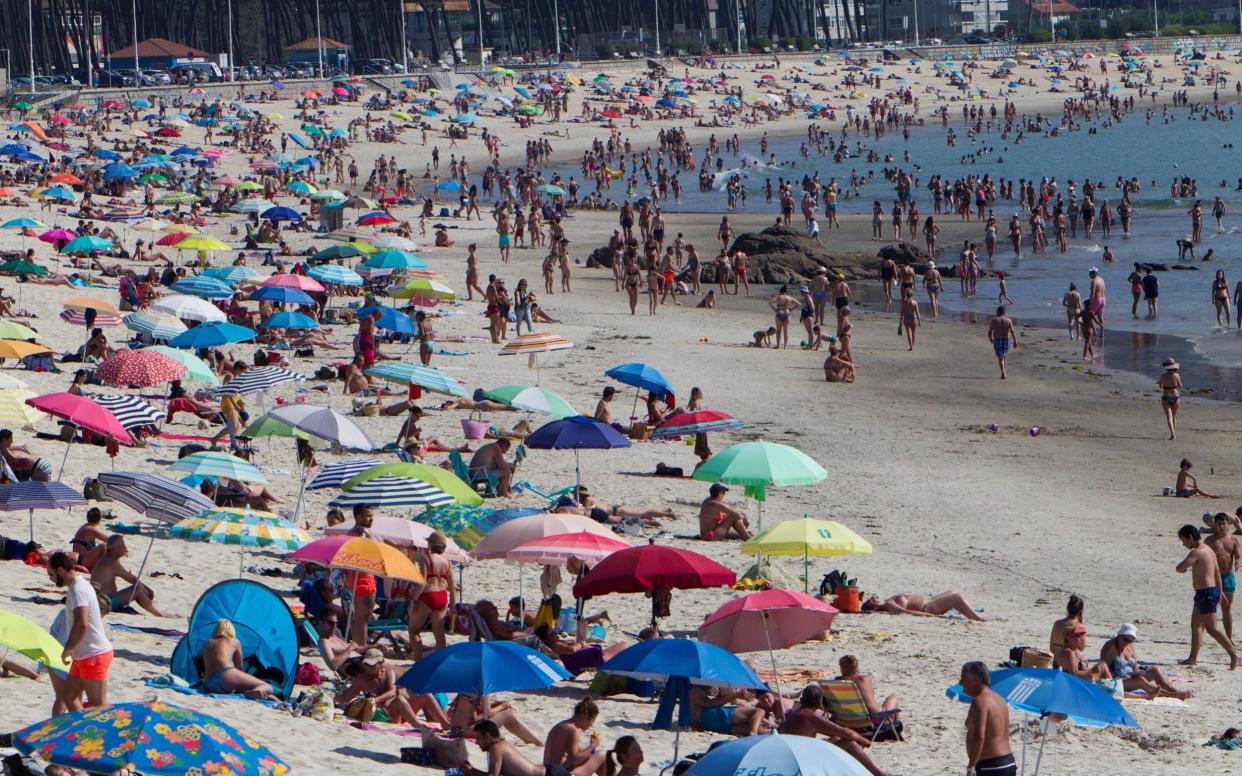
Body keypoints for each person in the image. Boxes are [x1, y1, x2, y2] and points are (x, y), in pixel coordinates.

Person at [47, 550, 112, 711]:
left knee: (98, 705)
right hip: (82, 656)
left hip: (94, 655)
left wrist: (67, 648)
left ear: (60, 571)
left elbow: (81, 624)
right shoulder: (76, 586)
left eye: (51, 574)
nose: (51, 578)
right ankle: (81, 734)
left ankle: (103, 735)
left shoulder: (78, 589)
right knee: (69, 697)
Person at [781, 684, 889, 776]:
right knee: (851, 744)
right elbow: (847, 733)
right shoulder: (810, 717)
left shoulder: (795, 714)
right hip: (804, 760)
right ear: (819, 704)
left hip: (793, 758)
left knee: (837, 737)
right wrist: (864, 741)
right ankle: (880, 774)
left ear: (801, 700)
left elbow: (836, 733)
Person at [1176, 524, 1239, 669]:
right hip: (1206, 592)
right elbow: (1217, 573)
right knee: (1196, 625)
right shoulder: (1209, 549)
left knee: (1212, 628)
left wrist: (1183, 570)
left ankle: (1233, 654)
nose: (1184, 544)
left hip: (1206, 593)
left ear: (1190, 537)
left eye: (1184, 541)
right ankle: (1192, 658)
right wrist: (1221, 591)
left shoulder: (1196, 552)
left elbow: (1180, 567)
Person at [337, 648, 451, 727]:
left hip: (398, 710)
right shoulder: (362, 679)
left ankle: (446, 724)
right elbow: (345, 697)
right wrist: (331, 697)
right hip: (383, 714)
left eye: (372, 665)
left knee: (425, 694)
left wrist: (375, 700)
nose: (369, 668)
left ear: (381, 663)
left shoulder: (388, 673)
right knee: (401, 699)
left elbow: (392, 692)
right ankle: (418, 725)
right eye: (366, 664)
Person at [463, 719, 605, 776]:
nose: (476, 742)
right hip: (550, 771)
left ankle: (597, 753)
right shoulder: (502, 744)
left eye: (478, 738)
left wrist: (471, 771)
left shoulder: (496, 748)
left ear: (488, 736)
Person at [1099, 623, 1192, 700]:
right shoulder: (1111, 648)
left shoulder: (1130, 646)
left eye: (1130, 640)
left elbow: (1135, 665)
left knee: (1155, 670)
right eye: (1125, 639)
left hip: (1130, 677)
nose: (1127, 642)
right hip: (1118, 681)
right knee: (1140, 680)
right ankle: (1171, 695)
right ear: (1119, 636)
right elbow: (1103, 668)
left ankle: (1173, 690)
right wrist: (1114, 685)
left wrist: (1137, 673)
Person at [91, 535, 175, 617]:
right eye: (122, 546)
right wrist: (148, 590)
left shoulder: (107, 558)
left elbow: (130, 578)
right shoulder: (111, 562)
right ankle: (158, 613)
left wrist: (146, 590)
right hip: (105, 602)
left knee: (137, 588)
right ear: (114, 549)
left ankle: (159, 612)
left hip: (100, 600)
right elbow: (132, 579)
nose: (125, 548)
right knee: (137, 590)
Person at [960, 661, 1015, 776]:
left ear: (975, 680)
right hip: (1008, 762)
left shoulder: (979, 701)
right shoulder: (999, 699)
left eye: (964, 678)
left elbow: (979, 737)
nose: (960, 683)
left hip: (991, 766)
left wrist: (971, 766)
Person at [407, 531, 455, 660]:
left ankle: (418, 663)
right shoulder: (448, 562)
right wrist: (453, 605)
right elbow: (452, 586)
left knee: (413, 630)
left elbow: (422, 582)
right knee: (439, 634)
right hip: (443, 597)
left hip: (429, 595)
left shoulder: (426, 558)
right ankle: (440, 663)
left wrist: (412, 599)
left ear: (431, 544)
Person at [200, 619, 276, 699]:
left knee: (234, 686)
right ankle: (254, 691)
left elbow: (202, 664)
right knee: (267, 687)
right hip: (226, 675)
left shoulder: (208, 643)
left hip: (209, 684)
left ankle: (256, 692)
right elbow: (239, 668)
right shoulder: (235, 642)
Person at [1206, 512, 1241, 640]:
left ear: (1228, 524)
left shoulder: (1234, 539)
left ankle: (1229, 637)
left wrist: (1238, 562)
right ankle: (1204, 635)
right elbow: (1203, 555)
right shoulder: (1210, 540)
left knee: (1226, 608)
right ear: (1215, 525)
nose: (1221, 526)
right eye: (1219, 524)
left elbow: (1238, 555)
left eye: (1223, 524)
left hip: (1227, 577)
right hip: (1213, 577)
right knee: (1209, 608)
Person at [544, 697, 603, 773]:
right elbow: (574, 760)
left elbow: (573, 751)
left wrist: (591, 749)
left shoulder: (563, 725)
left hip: (547, 769)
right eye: (592, 721)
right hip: (558, 772)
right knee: (602, 756)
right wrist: (592, 746)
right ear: (585, 717)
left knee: (596, 753)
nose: (591, 725)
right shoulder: (573, 730)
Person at [689, 685, 769, 737]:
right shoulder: (693, 689)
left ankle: (764, 728)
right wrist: (736, 695)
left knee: (761, 729)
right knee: (759, 711)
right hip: (708, 717)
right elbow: (709, 704)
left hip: (710, 724)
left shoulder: (695, 687)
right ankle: (753, 733)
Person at [837, 655, 899, 719]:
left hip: (846, 720)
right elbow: (871, 697)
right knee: (893, 697)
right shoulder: (865, 680)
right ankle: (896, 726)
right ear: (856, 666)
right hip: (875, 719)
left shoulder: (836, 683)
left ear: (842, 669)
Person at [861, 591, 986, 621]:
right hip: (928, 607)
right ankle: (977, 618)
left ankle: (973, 614)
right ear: (876, 608)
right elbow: (907, 612)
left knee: (953, 592)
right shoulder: (889, 605)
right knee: (956, 597)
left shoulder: (888, 601)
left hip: (930, 600)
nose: (872, 597)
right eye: (871, 601)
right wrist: (928, 615)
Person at [987, 306, 1017, 380]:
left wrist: (991, 338)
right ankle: (1003, 371)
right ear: (1004, 312)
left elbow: (990, 331)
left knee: (1000, 358)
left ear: (998, 312)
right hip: (1007, 340)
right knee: (1003, 356)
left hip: (998, 340)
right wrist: (1015, 341)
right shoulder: (1008, 320)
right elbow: (1012, 331)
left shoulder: (994, 320)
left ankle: (1003, 373)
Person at [1157, 359, 1182, 440]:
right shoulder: (1177, 375)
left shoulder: (1162, 376)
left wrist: (1161, 382)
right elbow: (1180, 386)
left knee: (1169, 417)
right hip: (1175, 396)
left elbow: (1160, 387)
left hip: (1166, 396)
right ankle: (1173, 433)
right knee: (1174, 417)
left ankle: (1172, 434)